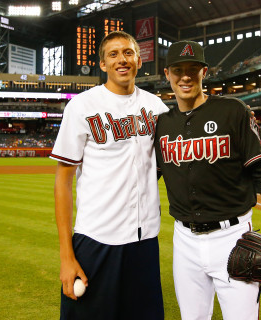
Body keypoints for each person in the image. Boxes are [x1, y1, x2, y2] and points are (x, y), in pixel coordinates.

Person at [154, 40, 261, 320]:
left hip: (232, 238)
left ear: (204, 72)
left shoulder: (234, 111)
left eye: (193, 69)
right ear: (167, 74)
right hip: (184, 240)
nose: (185, 76)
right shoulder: (162, 124)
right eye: (178, 69)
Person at [50, 31, 168, 320]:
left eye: (128, 52)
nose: (122, 60)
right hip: (96, 240)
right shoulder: (81, 106)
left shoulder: (158, 108)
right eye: (113, 54)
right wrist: (67, 256)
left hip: (145, 240)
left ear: (139, 60)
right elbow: (63, 183)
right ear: (103, 64)